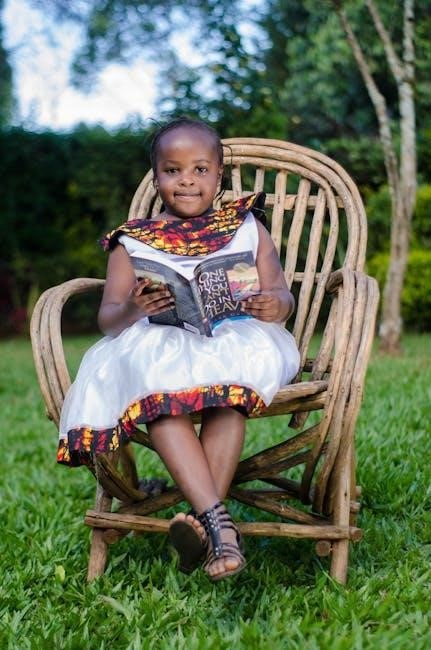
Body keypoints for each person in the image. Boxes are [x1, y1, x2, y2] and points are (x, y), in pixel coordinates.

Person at [58, 117, 300, 581]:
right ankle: (220, 528)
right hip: (162, 346)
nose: (187, 180)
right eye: (173, 170)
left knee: (229, 395)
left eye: (200, 169)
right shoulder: (132, 241)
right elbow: (108, 318)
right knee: (161, 394)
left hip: (234, 340)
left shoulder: (246, 226)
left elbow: (280, 293)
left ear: (219, 175)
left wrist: (275, 304)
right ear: (156, 178)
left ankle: (208, 528)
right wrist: (134, 307)